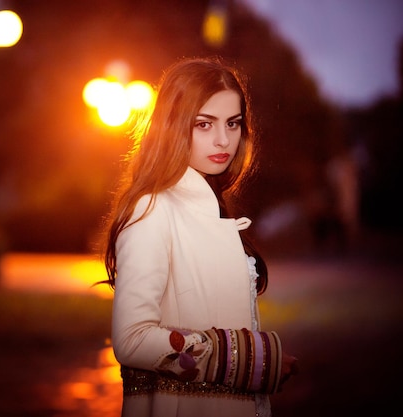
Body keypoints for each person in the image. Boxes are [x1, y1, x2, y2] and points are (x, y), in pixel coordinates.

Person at [101, 56, 298, 416]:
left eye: (233, 123)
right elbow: (131, 340)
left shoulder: (212, 208)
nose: (223, 139)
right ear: (173, 126)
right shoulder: (152, 208)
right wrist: (253, 360)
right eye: (204, 124)